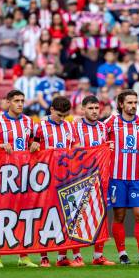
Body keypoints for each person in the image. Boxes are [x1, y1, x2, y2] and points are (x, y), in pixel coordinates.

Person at [0, 89, 39, 268]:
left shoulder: (28, 122)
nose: (20, 104)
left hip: (24, 175)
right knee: (2, 214)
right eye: (16, 100)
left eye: (22, 100)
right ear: (8, 102)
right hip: (3, 175)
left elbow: (32, 142)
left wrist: (34, 145)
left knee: (24, 215)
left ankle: (23, 256)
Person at [33, 96, 83, 267]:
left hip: (66, 177)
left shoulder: (69, 126)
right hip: (45, 178)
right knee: (46, 217)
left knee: (68, 216)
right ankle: (43, 257)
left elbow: (76, 147)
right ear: (51, 110)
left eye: (65, 116)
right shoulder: (39, 127)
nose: (62, 119)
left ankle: (64, 257)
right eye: (60, 115)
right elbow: (30, 151)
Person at [106, 89, 139, 265]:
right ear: (121, 104)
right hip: (116, 177)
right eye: (129, 103)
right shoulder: (111, 122)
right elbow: (99, 139)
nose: (133, 106)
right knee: (119, 216)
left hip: (136, 177)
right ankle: (122, 254)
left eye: (135, 102)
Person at [71, 95, 115, 266]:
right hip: (80, 177)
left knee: (101, 216)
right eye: (91, 108)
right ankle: (76, 256)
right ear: (83, 109)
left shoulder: (103, 128)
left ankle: (98, 256)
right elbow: (71, 150)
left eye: (97, 108)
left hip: (100, 178)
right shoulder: (75, 127)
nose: (95, 111)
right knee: (78, 216)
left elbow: (107, 148)